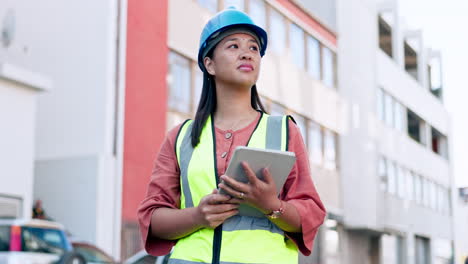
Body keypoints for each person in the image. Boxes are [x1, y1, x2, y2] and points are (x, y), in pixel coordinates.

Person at [137, 7, 326, 264]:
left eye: (254, 48)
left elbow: (310, 215)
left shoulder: (284, 131)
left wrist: (270, 204)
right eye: (233, 46)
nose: (247, 53)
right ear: (209, 64)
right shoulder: (180, 137)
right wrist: (198, 216)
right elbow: (152, 218)